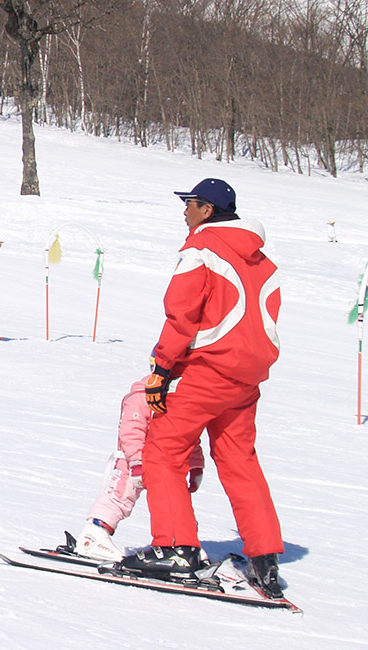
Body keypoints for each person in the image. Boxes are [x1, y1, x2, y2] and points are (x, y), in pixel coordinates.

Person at [115, 178, 286, 599]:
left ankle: (175, 548)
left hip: (207, 369)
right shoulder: (261, 261)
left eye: (189, 204)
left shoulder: (201, 249)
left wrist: (162, 368)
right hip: (246, 376)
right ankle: (265, 559)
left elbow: (182, 314)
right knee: (238, 459)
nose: (184, 211)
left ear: (208, 209)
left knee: (163, 451)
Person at [71, 368, 206, 561]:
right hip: (134, 463)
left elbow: (189, 436)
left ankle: (183, 544)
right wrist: (136, 462)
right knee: (121, 495)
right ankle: (94, 534)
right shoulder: (143, 395)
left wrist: (195, 465)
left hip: (166, 464)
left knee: (174, 500)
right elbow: (131, 431)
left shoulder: (179, 395)